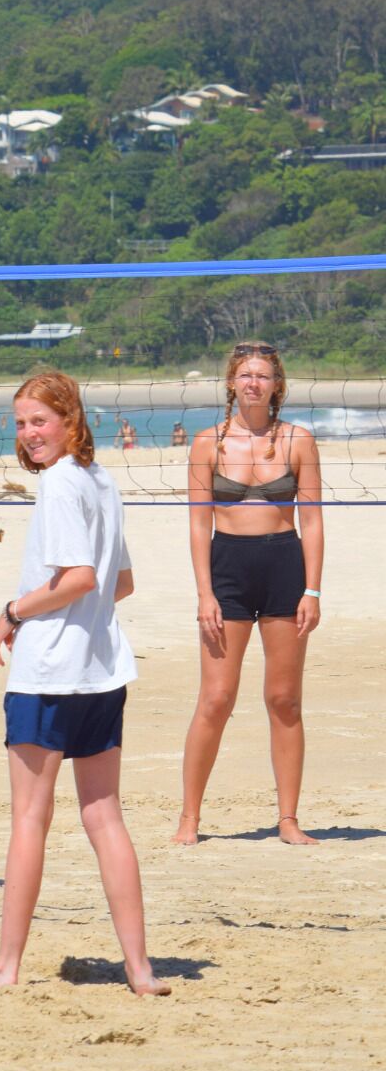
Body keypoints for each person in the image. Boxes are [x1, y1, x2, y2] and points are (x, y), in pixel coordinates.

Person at [0, 371, 169, 996]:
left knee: (30, 819)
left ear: (69, 420)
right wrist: (74, 610)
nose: (29, 433)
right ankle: (140, 969)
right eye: (21, 423)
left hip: (51, 672)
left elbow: (80, 577)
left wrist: (13, 612)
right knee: (104, 817)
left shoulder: (60, 481)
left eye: (40, 421)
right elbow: (120, 584)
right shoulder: (99, 478)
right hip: (102, 670)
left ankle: (6, 968)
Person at [174, 341, 322, 846]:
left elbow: (312, 521)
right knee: (216, 698)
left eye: (263, 375)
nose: (253, 383)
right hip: (228, 569)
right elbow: (198, 525)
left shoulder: (298, 440)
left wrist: (312, 589)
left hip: (284, 565)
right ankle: (189, 819)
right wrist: (204, 593)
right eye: (245, 375)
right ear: (232, 383)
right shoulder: (207, 443)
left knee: (284, 700)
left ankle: (288, 820)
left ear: (277, 385)